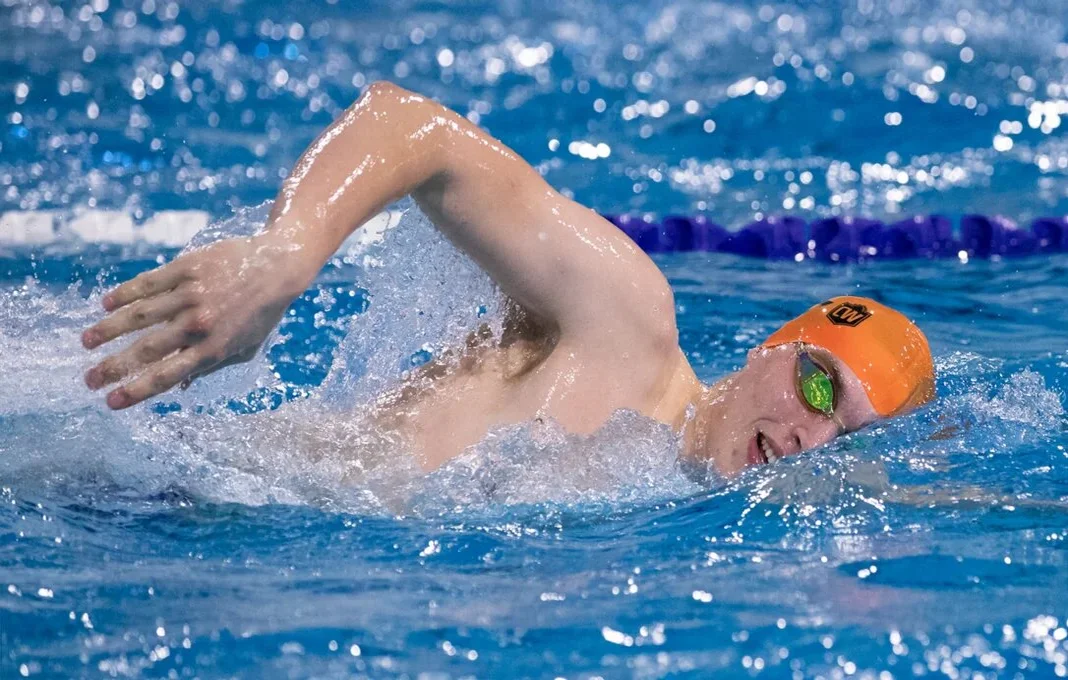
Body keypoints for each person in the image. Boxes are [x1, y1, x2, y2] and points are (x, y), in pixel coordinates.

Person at [80, 81, 936, 475]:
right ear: (772, 348)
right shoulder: (628, 324)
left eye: (845, 435)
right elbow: (416, 128)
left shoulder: (669, 502)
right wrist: (288, 254)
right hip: (124, 453)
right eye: (820, 388)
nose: (807, 438)